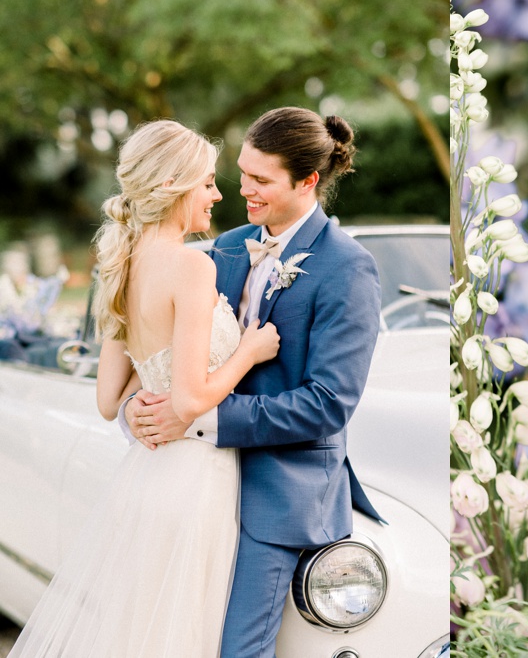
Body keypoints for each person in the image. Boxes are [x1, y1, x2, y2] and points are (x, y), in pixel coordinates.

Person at [10, 120, 281, 657]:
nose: (218, 195)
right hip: (196, 476)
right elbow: (189, 400)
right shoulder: (191, 265)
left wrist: (150, 375)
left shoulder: (121, 265)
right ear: (171, 187)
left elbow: (109, 399)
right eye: (206, 183)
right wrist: (248, 352)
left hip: (148, 479)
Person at [122, 106, 383, 657]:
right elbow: (157, 346)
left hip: (279, 492)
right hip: (198, 485)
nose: (243, 190)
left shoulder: (348, 267)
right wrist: (139, 412)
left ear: (308, 181)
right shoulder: (224, 246)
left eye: (261, 180)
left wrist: (195, 419)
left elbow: (327, 405)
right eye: (242, 173)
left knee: (237, 651)